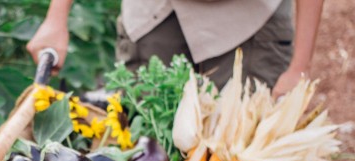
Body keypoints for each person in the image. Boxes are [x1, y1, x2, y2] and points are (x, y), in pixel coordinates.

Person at [26, 0, 324, 98]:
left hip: (250, 18)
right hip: (157, 12)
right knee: (145, 153)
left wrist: (300, 66)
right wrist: (56, 18)